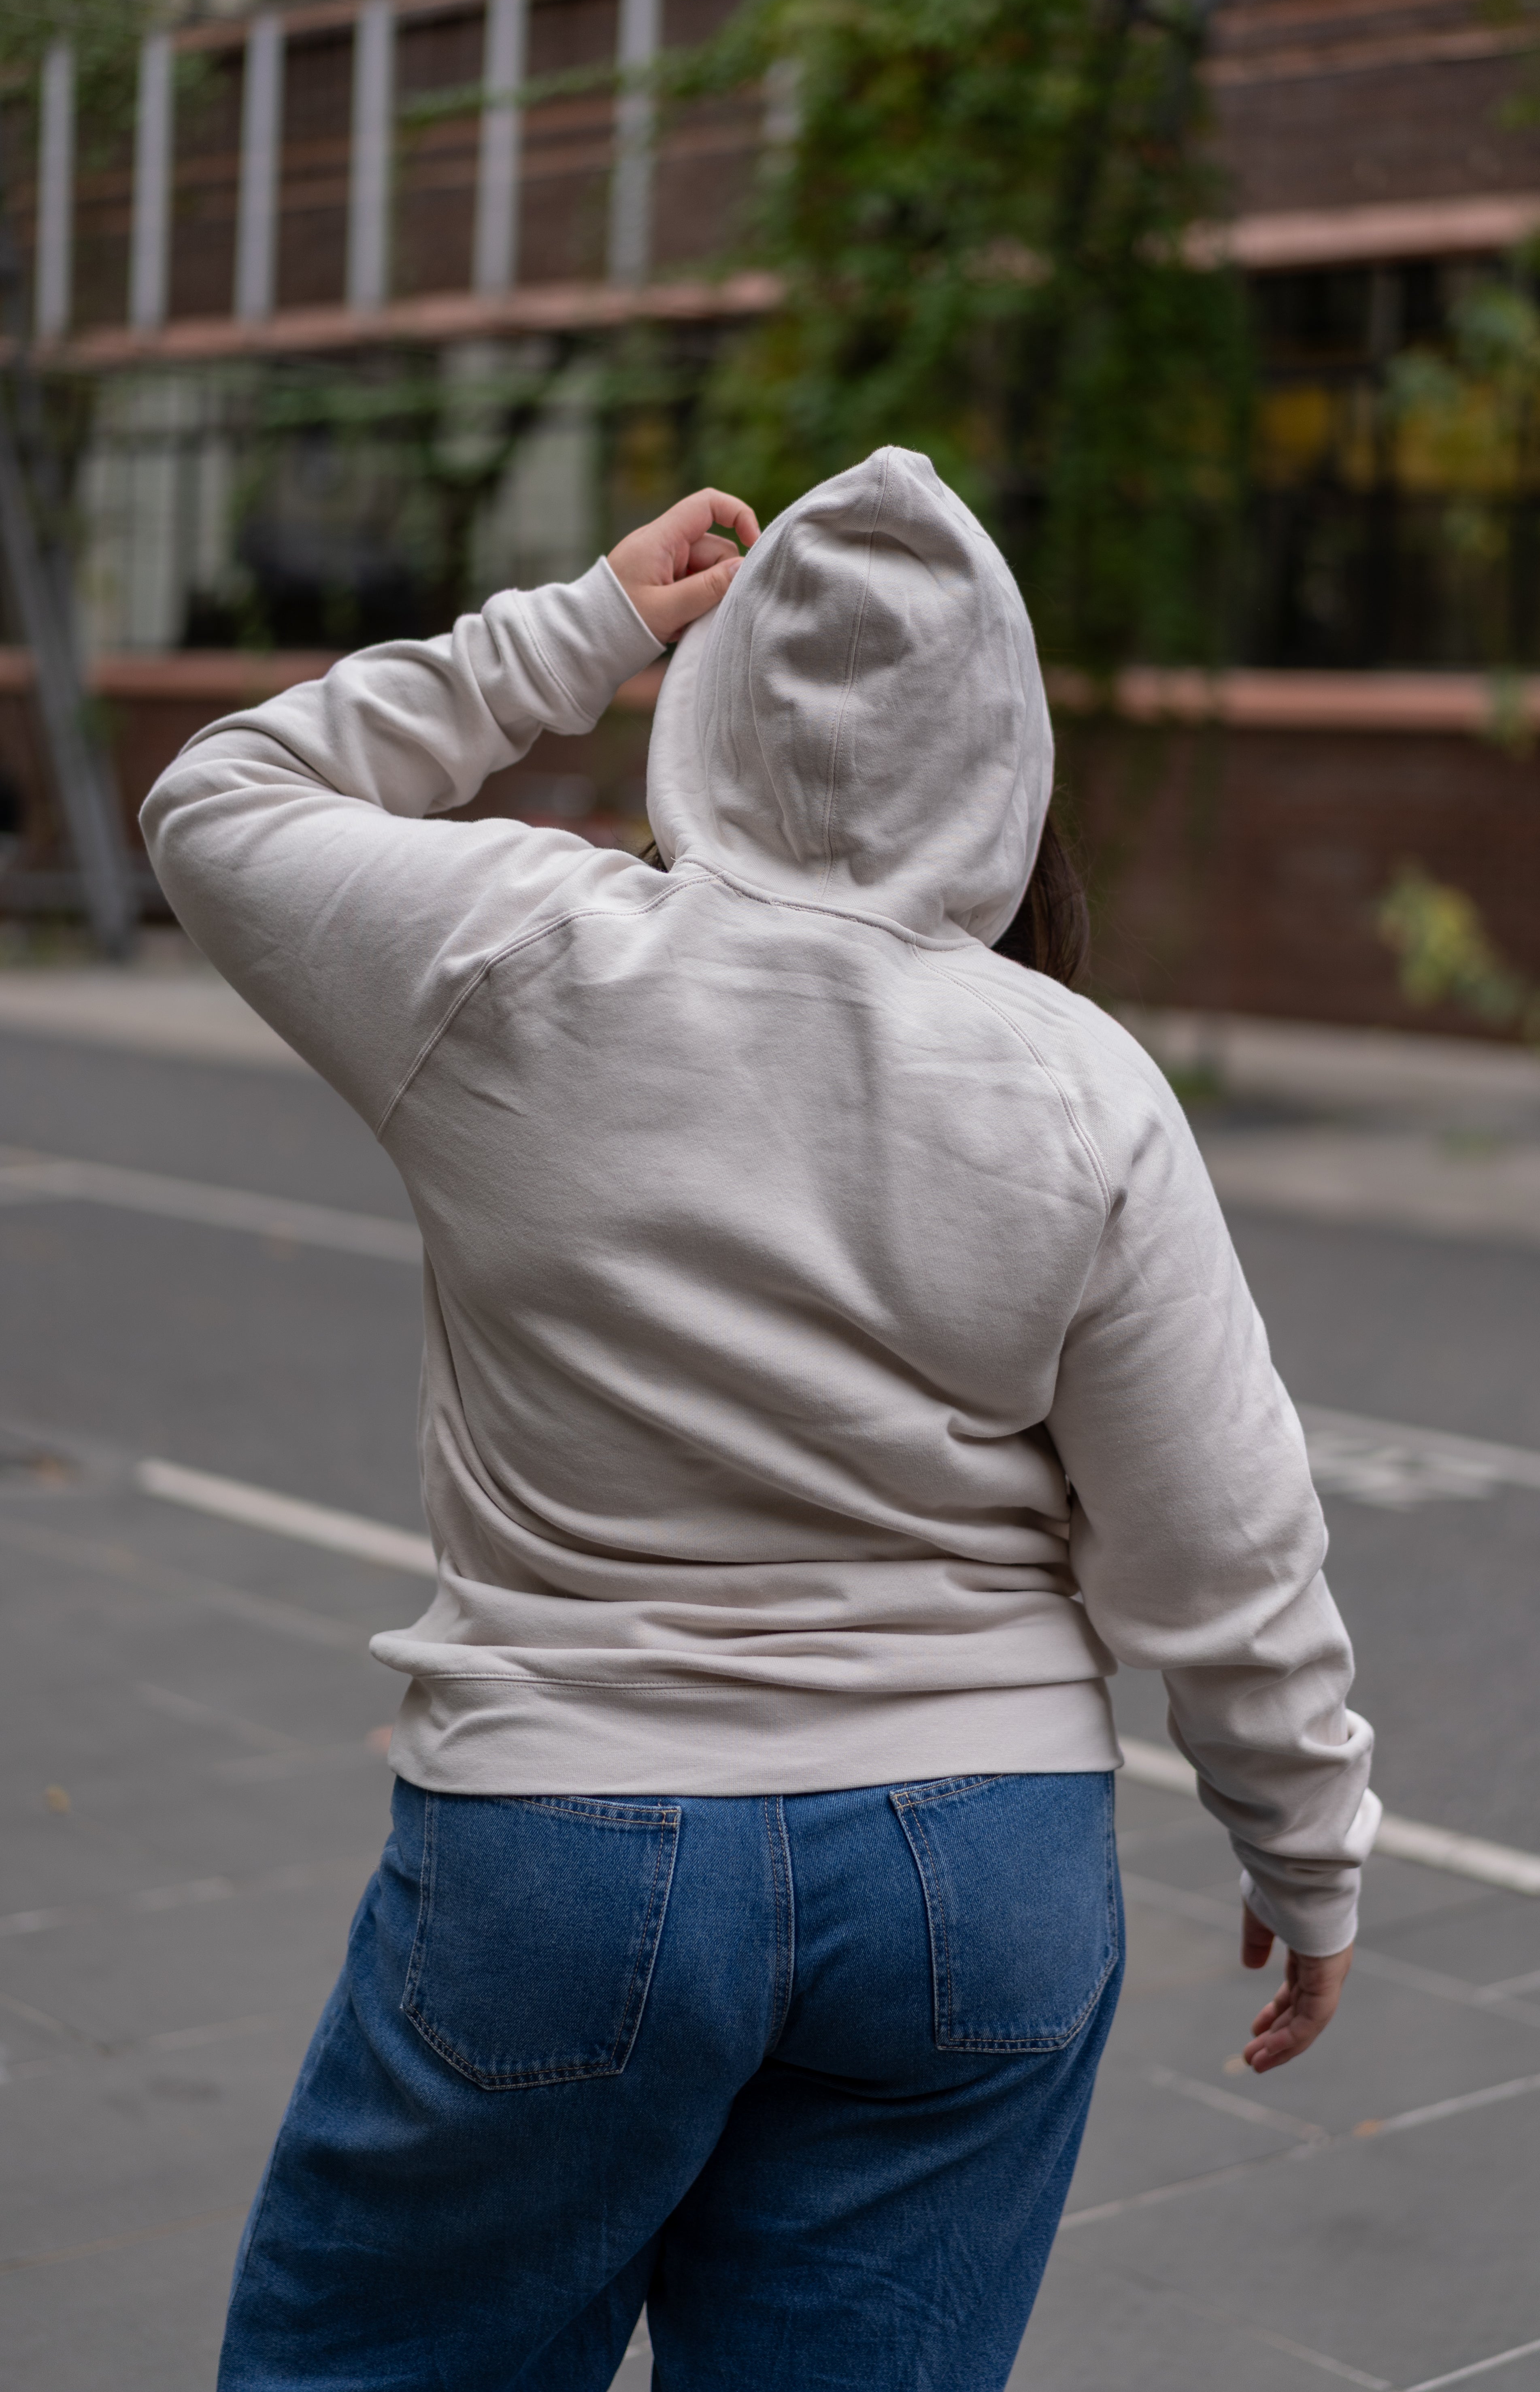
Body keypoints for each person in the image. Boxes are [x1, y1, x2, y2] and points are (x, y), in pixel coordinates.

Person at [141, 447, 1378, 2392]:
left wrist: (586, 625)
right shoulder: (1081, 1081)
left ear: (707, 719)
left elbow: (218, 799)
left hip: (567, 1843)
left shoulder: (512, 958)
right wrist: (1305, 1851)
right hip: (984, 1874)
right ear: (1007, 760)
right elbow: (1222, 1539)